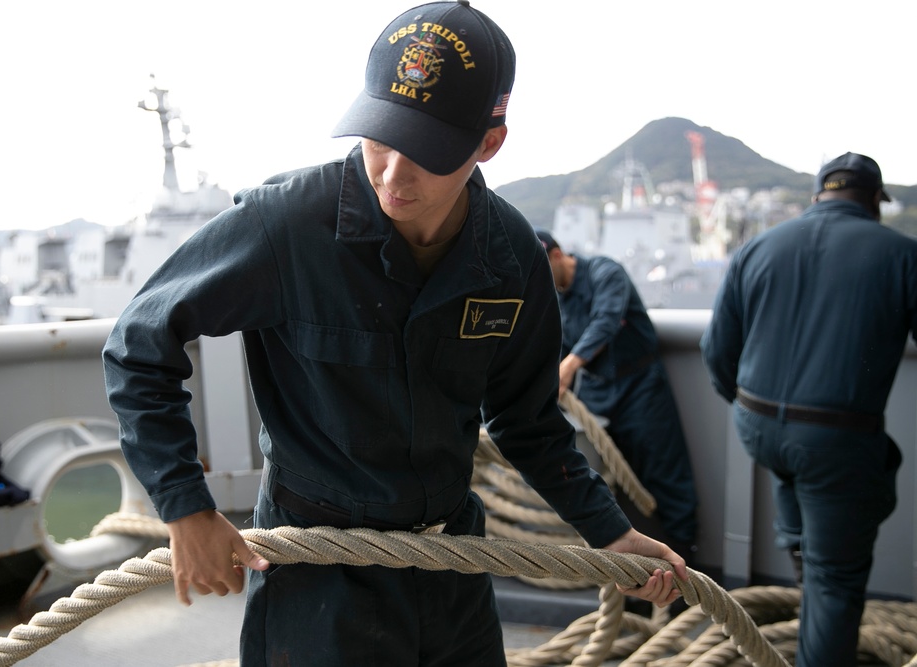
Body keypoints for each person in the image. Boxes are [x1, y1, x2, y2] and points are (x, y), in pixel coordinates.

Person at [102, 2, 688, 664]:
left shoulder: (511, 256)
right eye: (380, 137)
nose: (392, 174)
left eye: (427, 152)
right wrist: (185, 507)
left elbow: (528, 421)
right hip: (318, 579)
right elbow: (140, 341)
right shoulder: (287, 225)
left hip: (453, 570)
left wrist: (609, 531)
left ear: (488, 143)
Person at [701, 152, 915, 667]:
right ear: (874, 201)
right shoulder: (902, 254)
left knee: (798, 472)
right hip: (834, 437)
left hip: (755, 424)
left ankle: (800, 547)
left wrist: (752, 409)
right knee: (837, 578)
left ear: (818, 194)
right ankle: (817, 581)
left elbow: (715, 351)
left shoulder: (759, 246)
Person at [534, 229, 699, 564]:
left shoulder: (605, 272)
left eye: (541, 270)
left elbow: (606, 322)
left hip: (640, 387)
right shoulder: (552, 299)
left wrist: (568, 367)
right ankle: (625, 573)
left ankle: (685, 573)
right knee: (600, 478)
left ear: (557, 256)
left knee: (666, 477)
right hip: (595, 390)